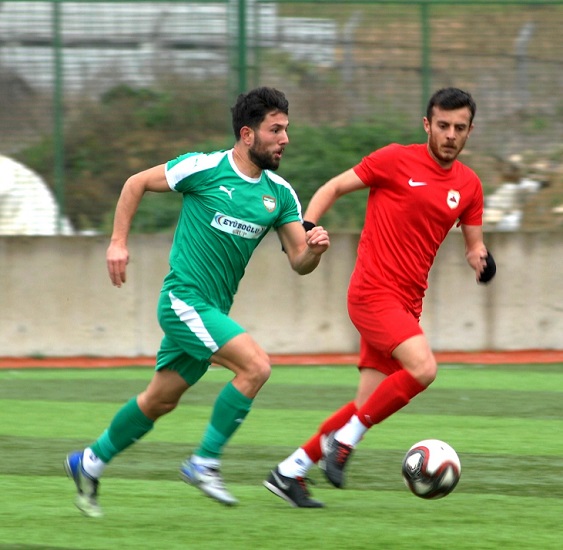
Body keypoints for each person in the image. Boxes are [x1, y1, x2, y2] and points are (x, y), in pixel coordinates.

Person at [64, 86, 330, 517]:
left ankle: (89, 461)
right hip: (183, 301)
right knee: (256, 366)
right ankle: (203, 462)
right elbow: (136, 184)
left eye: (286, 129)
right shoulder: (205, 168)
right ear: (247, 134)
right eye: (275, 130)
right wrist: (117, 243)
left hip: (210, 313)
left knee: (159, 401)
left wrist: (314, 250)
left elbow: (299, 261)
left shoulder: (280, 194)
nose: (285, 139)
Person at [264, 87, 496, 508]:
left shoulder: (469, 186)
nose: (450, 134)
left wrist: (481, 259)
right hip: (372, 293)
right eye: (442, 125)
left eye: (459, 128)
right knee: (423, 369)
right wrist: (307, 225)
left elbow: (472, 244)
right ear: (427, 125)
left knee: (366, 403)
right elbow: (333, 187)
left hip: (407, 304)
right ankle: (347, 443)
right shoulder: (394, 159)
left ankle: (289, 471)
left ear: (469, 131)